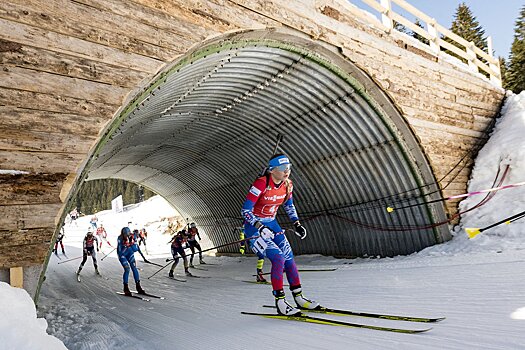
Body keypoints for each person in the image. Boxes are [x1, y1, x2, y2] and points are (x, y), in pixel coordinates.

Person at [241, 153, 319, 316]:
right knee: (279, 258)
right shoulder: (261, 184)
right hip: (255, 228)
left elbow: (289, 206)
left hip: (272, 224)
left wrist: (296, 224)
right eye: (283, 168)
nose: (286, 172)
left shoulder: (288, 185)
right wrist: (259, 226)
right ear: (272, 170)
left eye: (289, 168)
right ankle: (280, 301)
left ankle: (299, 297)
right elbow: (246, 210)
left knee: (289, 259)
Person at [117, 227, 146, 296]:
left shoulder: (133, 237)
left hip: (129, 253)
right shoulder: (120, 238)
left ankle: (138, 286)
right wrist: (127, 245)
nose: (126, 236)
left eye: (127, 235)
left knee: (134, 268)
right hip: (122, 255)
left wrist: (131, 243)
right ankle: (126, 287)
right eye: (125, 235)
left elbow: (135, 249)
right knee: (127, 269)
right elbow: (121, 251)